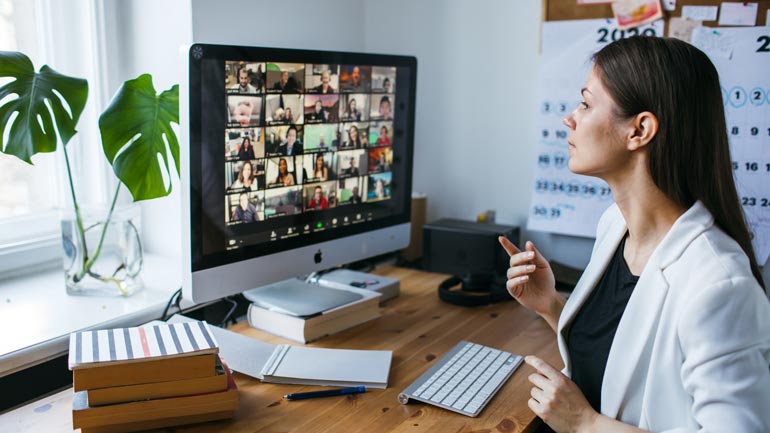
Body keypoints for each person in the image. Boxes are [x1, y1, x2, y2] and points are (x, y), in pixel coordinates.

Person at [498, 37, 770, 433]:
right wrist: (551, 305)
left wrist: (585, 424)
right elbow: (619, 355)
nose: (569, 118)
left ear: (639, 130)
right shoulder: (615, 225)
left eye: (587, 104)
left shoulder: (719, 285)